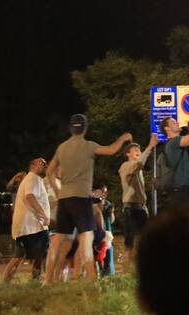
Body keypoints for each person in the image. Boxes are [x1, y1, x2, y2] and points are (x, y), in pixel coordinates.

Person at [44, 113, 132, 284]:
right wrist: (123, 138)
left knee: (58, 241)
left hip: (65, 199)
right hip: (81, 198)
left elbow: (49, 172)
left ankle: (47, 280)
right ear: (85, 128)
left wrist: (58, 191)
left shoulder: (62, 147)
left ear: (71, 128)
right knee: (86, 238)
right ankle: (92, 280)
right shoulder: (88, 146)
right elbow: (111, 150)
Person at [3, 158, 50, 282]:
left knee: (19, 256)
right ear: (33, 165)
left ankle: (6, 281)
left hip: (27, 226)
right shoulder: (33, 178)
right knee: (41, 254)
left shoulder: (32, 179)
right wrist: (43, 215)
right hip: (33, 225)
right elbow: (30, 196)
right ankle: (36, 280)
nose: (45, 166)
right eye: (42, 163)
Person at [118, 135, 158, 263]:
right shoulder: (125, 166)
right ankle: (127, 270)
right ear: (127, 153)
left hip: (141, 207)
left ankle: (140, 266)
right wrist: (150, 146)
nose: (138, 152)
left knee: (146, 239)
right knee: (129, 241)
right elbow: (140, 163)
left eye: (139, 150)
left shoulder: (137, 168)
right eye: (135, 150)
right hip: (131, 207)